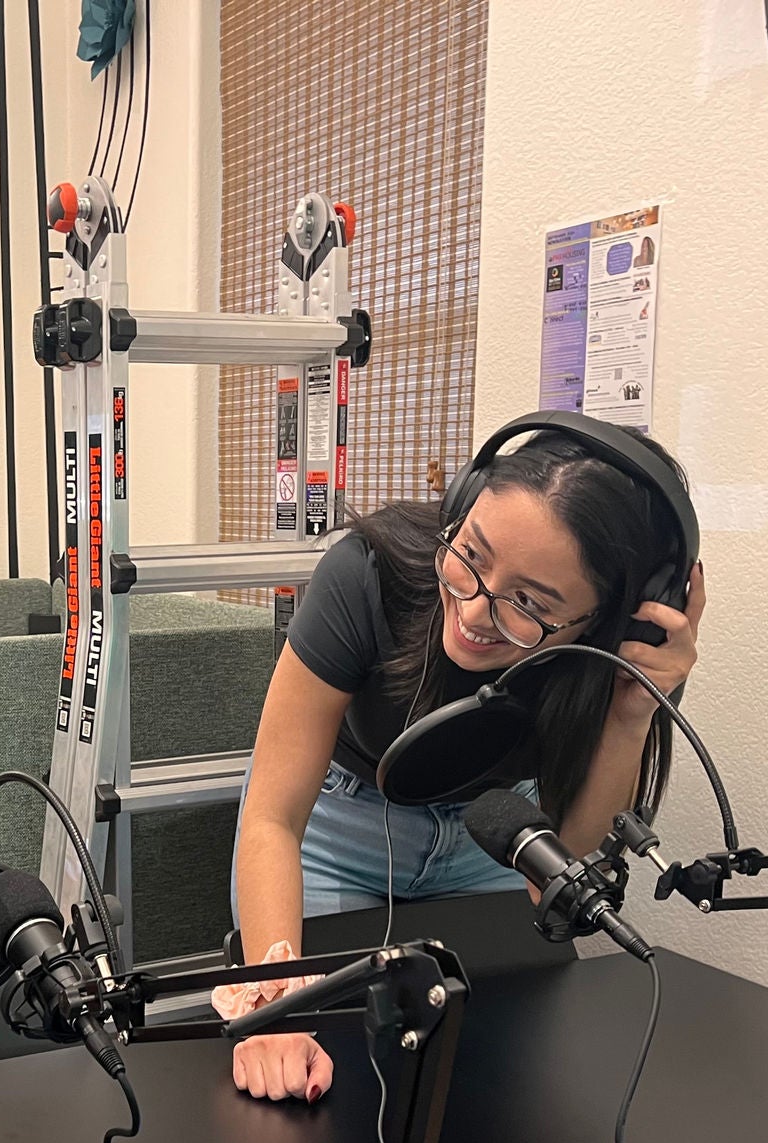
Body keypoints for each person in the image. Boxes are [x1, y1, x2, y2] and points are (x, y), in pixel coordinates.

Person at [227, 423, 705, 1101]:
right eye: (472, 555)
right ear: (462, 505)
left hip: (495, 834)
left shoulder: (624, 660)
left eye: (531, 604)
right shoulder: (367, 575)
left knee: (491, 1077)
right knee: (325, 1067)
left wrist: (631, 717)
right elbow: (272, 818)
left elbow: (555, 884)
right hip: (338, 830)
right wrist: (273, 1010)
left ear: (611, 621)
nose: (476, 610)